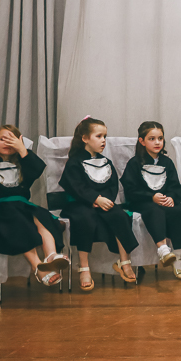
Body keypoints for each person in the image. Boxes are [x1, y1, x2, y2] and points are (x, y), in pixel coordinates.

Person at [0, 125, 69, 286]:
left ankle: (51, 255)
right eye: (2, 139)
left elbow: (37, 170)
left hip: (23, 206)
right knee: (18, 220)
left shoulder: (22, 165)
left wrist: (23, 150)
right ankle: (37, 266)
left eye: (12, 139)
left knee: (42, 217)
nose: (7, 142)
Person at [59, 117, 139, 290]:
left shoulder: (106, 162)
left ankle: (124, 261)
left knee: (120, 215)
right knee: (85, 218)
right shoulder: (74, 162)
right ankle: (84, 267)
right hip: (78, 205)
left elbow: (112, 185)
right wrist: (95, 199)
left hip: (103, 203)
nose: (103, 140)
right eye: (99, 136)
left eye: (105, 136)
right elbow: (75, 186)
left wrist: (105, 200)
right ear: (85, 138)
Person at [121, 121, 181, 280]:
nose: (157, 142)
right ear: (142, 141)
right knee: (154, 210)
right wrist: (151, 197)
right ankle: (163, 249)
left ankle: (177, 257)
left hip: (165, 202)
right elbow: (131, 189)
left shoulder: (167, 162)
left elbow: (175, 186)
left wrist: (171, 197)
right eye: (152, 139)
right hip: (143, 202)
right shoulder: (134, 163)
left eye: (160, 138)